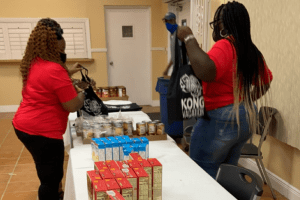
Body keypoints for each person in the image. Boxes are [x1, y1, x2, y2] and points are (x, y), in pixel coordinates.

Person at [176, 1, 273, 178]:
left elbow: (206, 71)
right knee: (226, 173)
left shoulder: (225, 45)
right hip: (243, 117)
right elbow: (265, 81)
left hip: (220, 120)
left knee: (203, 173)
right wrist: (247, 100)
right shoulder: (250, 49)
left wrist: (189, 38)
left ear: (221, 25)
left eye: (215, 23)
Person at [12, 18, 85, 200]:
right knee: (50, 180)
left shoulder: (34, 62)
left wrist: (68, 74)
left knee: (47, 171)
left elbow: (47, 82)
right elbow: (71, 104)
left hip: (23, 124)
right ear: (56, 41)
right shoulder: (54, 68)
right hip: (42, 131)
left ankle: (56, 194)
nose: (64, 46)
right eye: (62, 42)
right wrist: (84, 92)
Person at [162, 12, 180, 76]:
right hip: (177, 68)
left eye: (168, 21)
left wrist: (167, 68)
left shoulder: (179, 32)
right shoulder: (172, 35)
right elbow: (173, 56)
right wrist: (167, 69)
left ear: (173, 20)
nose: (166, 24)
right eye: (165, 22)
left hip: (182, 68)